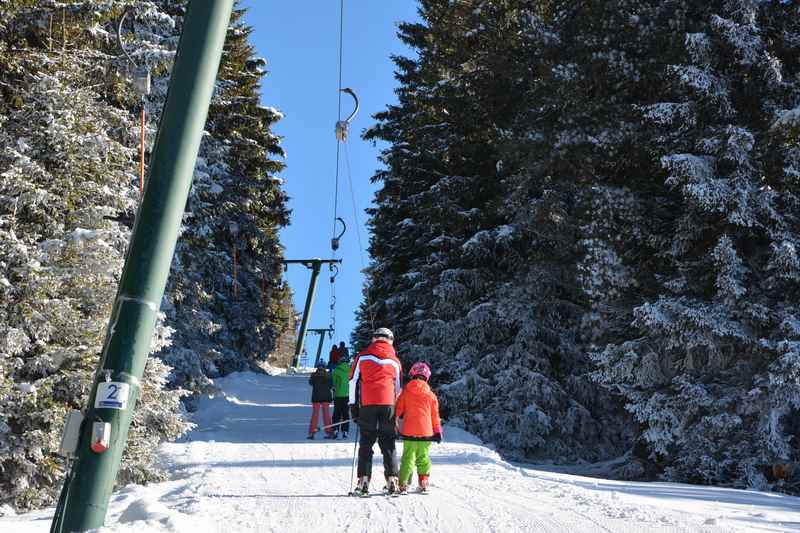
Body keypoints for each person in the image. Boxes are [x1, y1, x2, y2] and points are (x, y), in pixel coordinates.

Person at [349, 327, 402, 496]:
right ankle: (392, 479)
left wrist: (353, 405)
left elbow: (352, 381)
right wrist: (397, 408)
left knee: (366, 441)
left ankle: (364, 480)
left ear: (374, 339)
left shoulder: (362, 356)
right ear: (390, 340)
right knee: (388, 441)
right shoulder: (395, 361)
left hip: (368, 403)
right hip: (388, 404)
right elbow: (398, 388)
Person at [395, 361, 442, 494]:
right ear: (426, 377)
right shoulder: (431, 395)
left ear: (413, 374)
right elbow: (435, 415)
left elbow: (398, 410)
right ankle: (423, 482)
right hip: (426, 432)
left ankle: (403, 484)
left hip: (409, 431)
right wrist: (438, 431)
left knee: (408, 458)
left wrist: (393, 423)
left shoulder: (406, 392)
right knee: (423, 457)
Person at [308, 363, 335, 440]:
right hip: (326, 397)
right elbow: (331, 385)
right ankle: (329, 432)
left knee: (315, 415)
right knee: (326, 415)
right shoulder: (328, 375)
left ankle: (311, 433)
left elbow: (310, 383)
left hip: (316, 397)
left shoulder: (314, 375)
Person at [332, 355, 352, 438]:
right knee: (345, 414)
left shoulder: (336, 370)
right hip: (347, 395)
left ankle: (336, 429)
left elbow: (333, 382)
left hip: (338, 395)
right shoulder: (350, 370)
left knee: (337, 413)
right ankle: (345, 431)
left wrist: (335, 389)